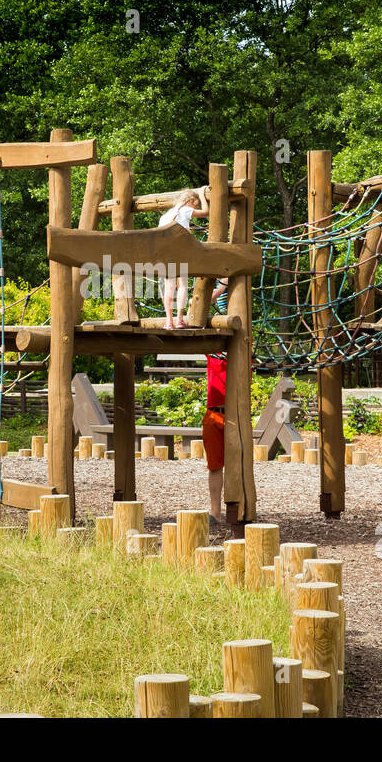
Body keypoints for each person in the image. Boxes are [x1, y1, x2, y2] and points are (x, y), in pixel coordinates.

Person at [158, 189, 208, 328]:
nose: (195, 208)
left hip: (164, 253)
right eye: (195, 205)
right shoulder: (185, 209)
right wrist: (202, 195)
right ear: (190, 202)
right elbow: (206, 212)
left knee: (169, 286)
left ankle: (169, 320)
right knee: (182, 285)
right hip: (179, 251)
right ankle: (179, 319)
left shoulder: (166, 216)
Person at [201, 351, 227, 528]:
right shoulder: (213, 353)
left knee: (237, 465)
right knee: (214, 466)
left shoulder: (244, 351)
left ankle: (240, 509)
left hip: (235, 414)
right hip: (213, 413)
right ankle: (215, 513)